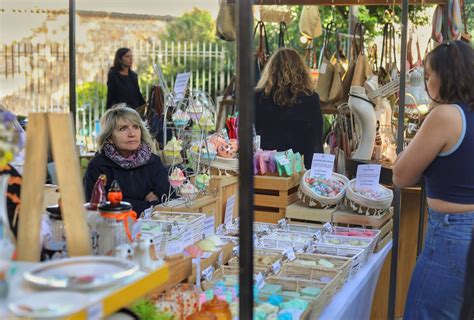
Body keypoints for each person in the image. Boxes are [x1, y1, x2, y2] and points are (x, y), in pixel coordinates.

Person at [393, 40, 474, 319]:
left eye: (428, 76)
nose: (426, 83)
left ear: (445, 75)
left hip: (451, 235)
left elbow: (401, 175)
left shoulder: (446, 115)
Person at [84, 105, 170, 214]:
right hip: (113, 227)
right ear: (110, 137)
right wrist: (148, 205)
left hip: (152, 227)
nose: (132, 134)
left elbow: (167, 202)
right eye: (123, 129)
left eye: (135, 127)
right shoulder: (98, 166)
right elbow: (96, 207)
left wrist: (121, 203)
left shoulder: (153, 162)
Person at [254, 48, 323, 169]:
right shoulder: (310, 98)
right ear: (301, 71)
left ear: (270, 70)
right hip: (299, 167)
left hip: (266, 166)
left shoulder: (258, 97)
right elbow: (316, 138)